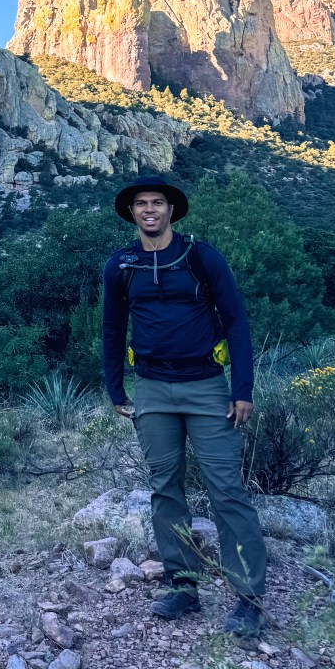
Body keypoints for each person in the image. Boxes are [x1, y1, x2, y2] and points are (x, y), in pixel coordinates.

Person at [102, 175, 267, 636]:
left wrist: (243, 390)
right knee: (165, 488)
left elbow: (236, 322)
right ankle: (182, 585)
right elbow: (112, 329)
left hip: (206, 386)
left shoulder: (200, 257)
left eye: (158, 203)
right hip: (152, 388)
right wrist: (116, 388)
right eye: (141, 204)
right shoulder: (122, 265)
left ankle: (249, 597)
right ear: (131, 213)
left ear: (171, 210)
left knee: (226, 490)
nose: (150, 210)